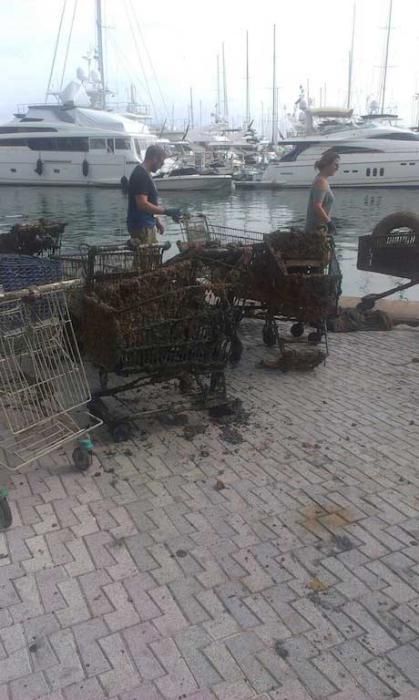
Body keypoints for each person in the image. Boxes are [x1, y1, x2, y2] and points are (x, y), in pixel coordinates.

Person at [127, 144, 181, 244]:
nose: (162, 164)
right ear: (154, 158)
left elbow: (149, 202)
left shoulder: (145, 173)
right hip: (141, 226)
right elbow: (142, 204)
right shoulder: (141, 175)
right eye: (162, 161)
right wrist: (166, 211)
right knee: (146, 258)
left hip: (147, 224)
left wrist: (156, 221)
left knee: (151, 256)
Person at [305, 149, 340, 234]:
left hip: (319, 229)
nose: (337, 168)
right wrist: (329, 223)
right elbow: (317, 206)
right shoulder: (321, 181)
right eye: (335, 164)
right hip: (315, 231)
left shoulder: (321, 180)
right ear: (327, 164)